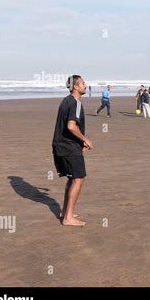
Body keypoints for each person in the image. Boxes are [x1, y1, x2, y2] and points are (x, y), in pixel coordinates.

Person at [52, 75, 93, 227]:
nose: (85, 85)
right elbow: (71, 126)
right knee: (78, 179)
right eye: (83, 83)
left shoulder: (65, 100)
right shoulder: (75, 103)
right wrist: (85, 139)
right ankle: (68, 218)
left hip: (60, 146)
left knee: (72, 178)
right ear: (75, 87)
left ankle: (65, 212)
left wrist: (79, 141)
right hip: (69, 148)